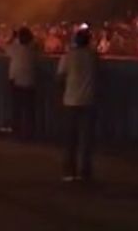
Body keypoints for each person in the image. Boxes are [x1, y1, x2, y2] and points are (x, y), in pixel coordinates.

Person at [56, 27, 97, 182]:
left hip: (71, 100)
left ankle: (69, 172)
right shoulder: (93, 56)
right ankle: (85, 172)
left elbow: (59, 78)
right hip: (88, 100)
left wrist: (61, 94)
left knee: (70, 139)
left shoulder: (68, 56)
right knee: (86, 140)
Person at [6, 26, 38, 140]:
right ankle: (27, 134)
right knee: (27, 111)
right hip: (28, 82)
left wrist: (12, 37)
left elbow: (6, 47)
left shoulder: (16, 48)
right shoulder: (33, 48)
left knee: (18, 110)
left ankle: (18, 133)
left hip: (18, 82)